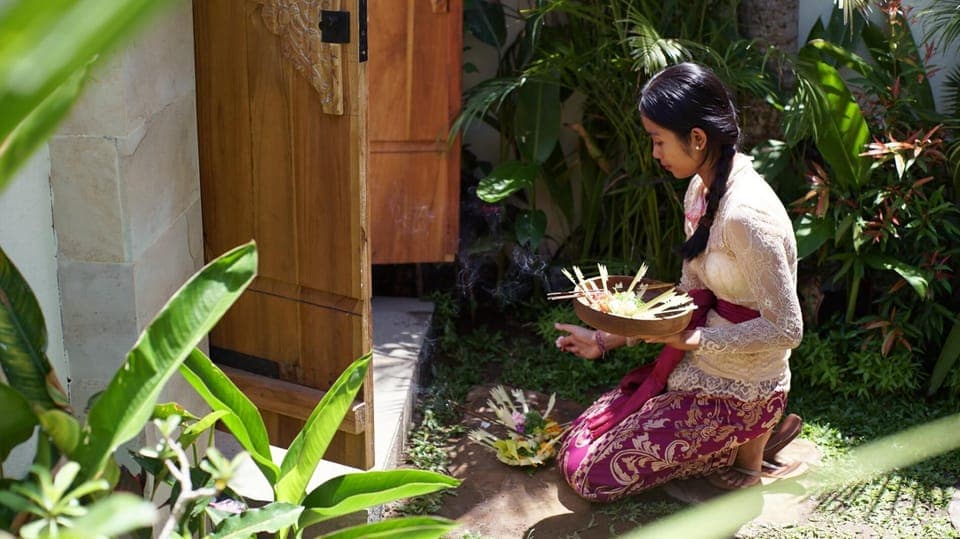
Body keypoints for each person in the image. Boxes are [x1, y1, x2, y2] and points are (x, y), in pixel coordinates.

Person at [553, 62, 803, 502]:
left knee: (589, 474)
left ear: (698, 138)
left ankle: (749, 438)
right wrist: (606, 338)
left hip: (743, 390)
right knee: (574, 445)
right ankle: (739, 447)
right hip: (693, 369)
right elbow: (691, 294)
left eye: (657, 140)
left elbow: (787, 329)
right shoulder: (700, 190)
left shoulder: (748, 215)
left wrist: (696, 340)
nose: (654, 153)